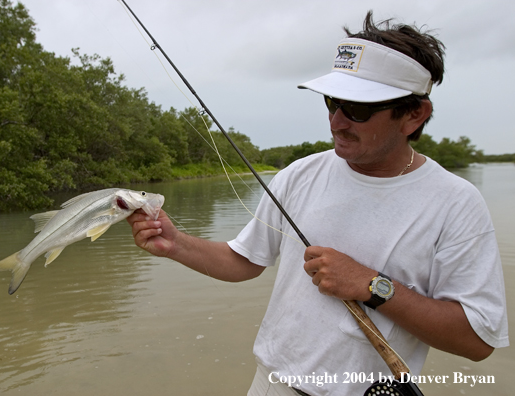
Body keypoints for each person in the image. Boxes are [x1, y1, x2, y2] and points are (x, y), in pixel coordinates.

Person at [127, 12, 509, 396]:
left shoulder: (456, 204)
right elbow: (244, 261)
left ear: (413, 115)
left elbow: (477, 342)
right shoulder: (300, 174)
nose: (338, 122)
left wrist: (373, 286)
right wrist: (176, 245)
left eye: (358, 108)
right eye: (332, 101)